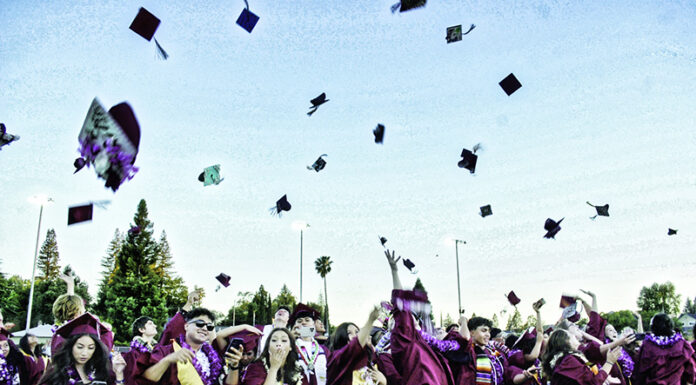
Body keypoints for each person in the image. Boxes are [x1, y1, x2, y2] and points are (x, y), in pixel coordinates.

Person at [139, 308, 224, 385]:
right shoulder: (167, 350)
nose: (205, 328)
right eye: (200, 323)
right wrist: (167, 360)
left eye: (209, 326)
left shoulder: (214, 358)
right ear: (186, 326)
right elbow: (144, 378)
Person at [38, 313, 126, 385]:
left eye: (91, 348)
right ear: (71, 347)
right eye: (80, 347)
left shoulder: (102, 370)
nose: (84, 353)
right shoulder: (57, 372)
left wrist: (119, 374)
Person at [327, 307, 387, 385]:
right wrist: (370, 321)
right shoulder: (337, 359)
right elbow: (354, 346)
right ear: (341, 337)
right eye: (349, 333)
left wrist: (383, 381)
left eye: (357, 332)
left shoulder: (369, 363)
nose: (355, 335)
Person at [632, 313, 695, 385]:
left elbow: (640, 372)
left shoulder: (648, 346)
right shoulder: (682, 344)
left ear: (653, 327)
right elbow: (690, 371)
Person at [541, 329, 622, 385]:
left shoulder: (575, 357)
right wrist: (609, 362)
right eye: (571, 335)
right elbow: (592, 383)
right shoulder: (567, 361)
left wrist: (606, 377)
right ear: (566, 341)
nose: (575, 337)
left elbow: (591, 372)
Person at [241, 328, 306, 385]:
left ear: (290, 347)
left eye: (284, 340)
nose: (279, 344)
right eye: (274, 340)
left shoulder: (297, 369)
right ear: (268, 346)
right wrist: (273, 368)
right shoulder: (256, 367)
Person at [289, 304, 329, 385]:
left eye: (307, 320)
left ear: (313, 325)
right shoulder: (290, 348)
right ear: (295, 326)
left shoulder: (324, 350)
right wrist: (289, 338)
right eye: (299, 321)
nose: (303, 322)